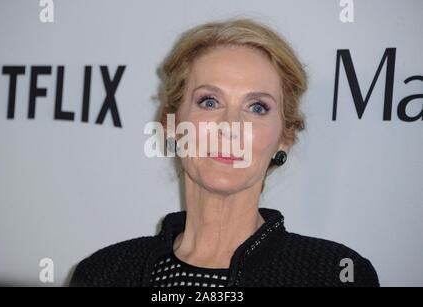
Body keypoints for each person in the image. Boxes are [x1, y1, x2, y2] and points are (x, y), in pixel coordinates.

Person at [70, 18, 379, 287]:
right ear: (172, 124)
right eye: (209, 101)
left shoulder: (335, 274)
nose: (230, 126)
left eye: (257, 107)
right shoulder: (104, 273)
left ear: (284, 138)